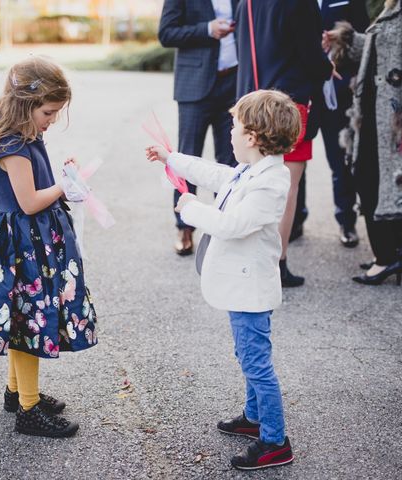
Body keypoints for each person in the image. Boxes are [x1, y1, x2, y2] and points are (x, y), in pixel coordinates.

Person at [146, 89, 301, 471]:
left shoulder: (271, 182)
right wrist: (173, 159)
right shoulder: (251, 170)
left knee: (256, 364)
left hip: (251, 290)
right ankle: (253, 417)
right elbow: (215, 174)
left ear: (252, 137)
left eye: (234, 126)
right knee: (247, 356)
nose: (229, 132)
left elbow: (232, 225)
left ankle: (275, 440)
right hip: (240, 287)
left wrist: (192, 209)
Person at [0, 57, 97, 438]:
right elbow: (30, 201)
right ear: (25, 104)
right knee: (28, 324)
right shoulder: (13, 145)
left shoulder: (24, 135)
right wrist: (68, 185)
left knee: (24, 319)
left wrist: (63, 175)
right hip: (19, 242)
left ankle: (17, 391)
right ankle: (29, 411)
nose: (51, 120)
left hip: (27, 237)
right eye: (48, 112)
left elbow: (37, 188)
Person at [326, 0, 402, 285]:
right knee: (373, 180)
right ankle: (390, 253)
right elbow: (384, 46)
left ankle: (387, 257)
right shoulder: (397, 4)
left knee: (378, 182)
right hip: (375, 110)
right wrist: (347, 39)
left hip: (394, 113)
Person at [234, 0, 335, 287]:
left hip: (250, 103)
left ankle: (250, 259)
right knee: (286, 189)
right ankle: (275, 265)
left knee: (252, 184)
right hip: (285, 107)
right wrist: (328, 67)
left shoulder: (246, 3)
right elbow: (311, 58)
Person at [158, 0, 239, 256]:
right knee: (186, 156)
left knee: (231, 160)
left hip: (234, 82)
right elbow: (166, 33)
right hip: (194, 85)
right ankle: (184, 227)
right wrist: (207, 29)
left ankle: (225, 228)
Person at [302, 0, 370, 248]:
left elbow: (365, 35)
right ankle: (296, 219)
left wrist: (339, 39)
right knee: (296, 158)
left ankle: (347, 220)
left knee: (341, 158)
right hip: (303, 87)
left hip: (339, 89)